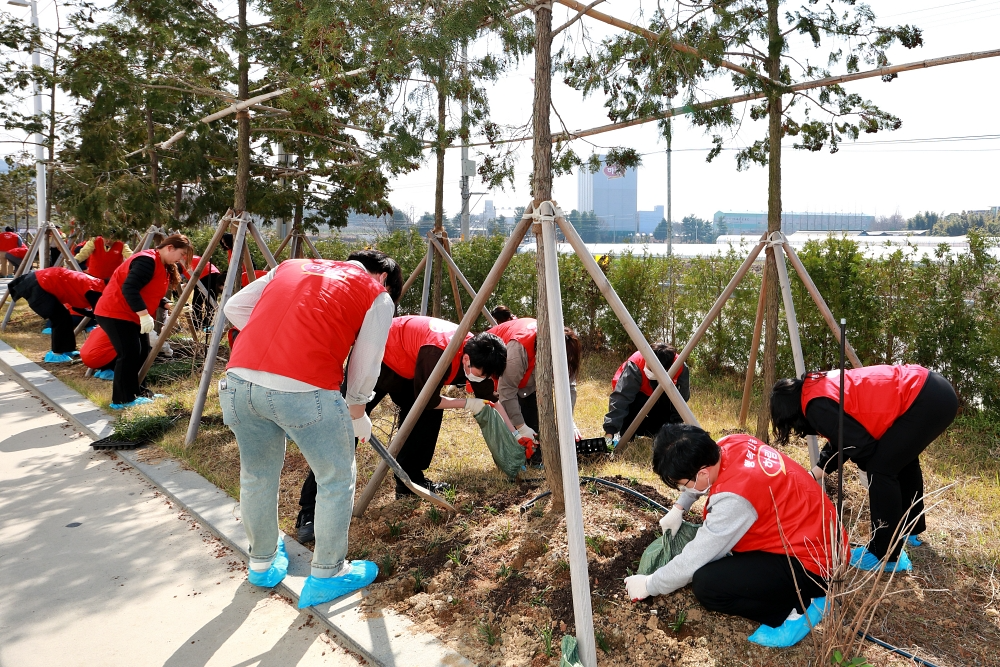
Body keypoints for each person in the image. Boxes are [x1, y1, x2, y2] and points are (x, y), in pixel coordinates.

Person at [220, 250, 402, 608]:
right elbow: (365, 365)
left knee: (256, 475)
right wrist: (357, 409)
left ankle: (261, 564)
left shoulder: (289, 267)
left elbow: (235, 309)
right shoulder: (375, 293)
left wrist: (283, 335)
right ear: (384, 278)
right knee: (335, 477)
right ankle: (328, 573)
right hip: (304, 389)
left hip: (238, 383)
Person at [623, 424, 842, 648]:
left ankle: (799, 607)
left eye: (681, 485)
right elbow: (701, 480)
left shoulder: (735, 499)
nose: (682, 490)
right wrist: (681, 506)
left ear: (702, 473)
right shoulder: (732, 443)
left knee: (708, 586)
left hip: (814, 564)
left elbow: (694, 560)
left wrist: (650, 585)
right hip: (819, 536)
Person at [295, 314, 508, 540]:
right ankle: (309, 509)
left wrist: (517, 433)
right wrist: (466, 403)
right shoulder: (437, 352)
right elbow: (429, 399)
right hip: (377, 356)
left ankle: (410, 480)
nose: (482, 378)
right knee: (344, 429)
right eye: (481, 373)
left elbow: (491, 400)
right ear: (465, 359)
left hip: (409, 364)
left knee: (426, 417)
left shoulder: (482, 355)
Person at [770, 364, 958, 571]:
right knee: (902, 459)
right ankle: (909, 527)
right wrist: (814, 473)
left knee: (882, 468)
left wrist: (868, 470)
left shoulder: (814, 407)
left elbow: (857, 445)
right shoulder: (815, 388)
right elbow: (844, 438)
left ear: (790, 415)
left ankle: (885, 554)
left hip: (924, 399)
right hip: (933, 389)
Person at [94, 234, 192, 409]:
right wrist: (145, 315)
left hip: (130, 314)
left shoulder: (161, 264)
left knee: (142, 352)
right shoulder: (146, 261)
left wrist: (167, 304)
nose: (181, 259)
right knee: (129, 353)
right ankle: (122, 399)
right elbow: (130, 288)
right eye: (181, 253)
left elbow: (149, 289)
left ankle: (139, 392)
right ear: (170, 248)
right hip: (115, 312)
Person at [488, 317, 582, 462]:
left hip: (525, 379)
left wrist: (569, 421)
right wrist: (520, 427)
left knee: (534, 443)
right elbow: (506, 390)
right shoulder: (519, 349)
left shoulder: (567, 351)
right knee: (511, 437)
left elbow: (569, 387)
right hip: (494, 372)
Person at [7, 266, 105, 362]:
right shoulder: (97, 291)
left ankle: (67, 348)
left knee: (65, 316)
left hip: (45, 278)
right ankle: (56, 353)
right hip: (41, 283)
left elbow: (79, 308)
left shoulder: (97, 285)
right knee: (60, 319)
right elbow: (101, 315)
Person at [603, 343, 690, 443]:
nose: (648, 370)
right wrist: (610, 432)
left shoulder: (680, 367)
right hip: (636, 400)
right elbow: (621, 398)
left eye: (652, 370)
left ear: (666, 370)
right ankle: (626, 432)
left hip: (660, 401)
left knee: (664, 434)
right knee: (626, 430)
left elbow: (681, 401)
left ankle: (655, 431)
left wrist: (675, 429)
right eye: (649, 367)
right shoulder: (636, 364)